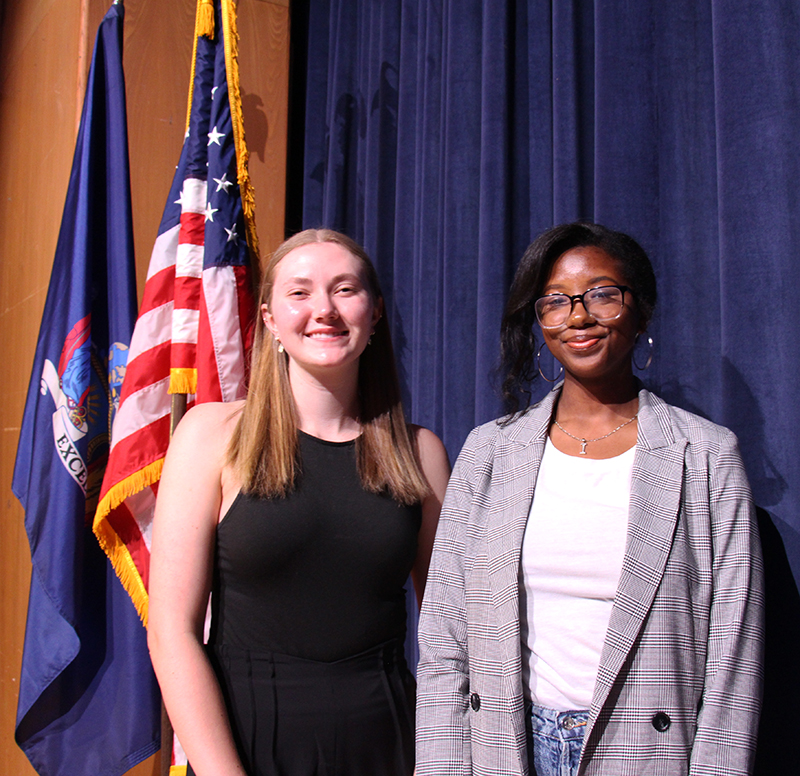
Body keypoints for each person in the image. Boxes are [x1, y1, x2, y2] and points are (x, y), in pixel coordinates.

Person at [416, 222, 764, 776]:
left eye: (602, 294)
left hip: (647, 755)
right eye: (555, 302)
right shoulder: (489, 452)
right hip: (508, 748)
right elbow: (444, 636)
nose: (578, 316)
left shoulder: (705, 455)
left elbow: (734, 656)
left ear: (640, 311)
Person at [148, 229, 450, 776]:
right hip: (247, 746)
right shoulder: (210, 436)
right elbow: (171, 631)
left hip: (390, 748)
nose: (324, 310)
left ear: (375, 312)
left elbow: (450, 633)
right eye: (300, 292)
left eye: (344, 290)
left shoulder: (420, 453)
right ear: (268, 318)